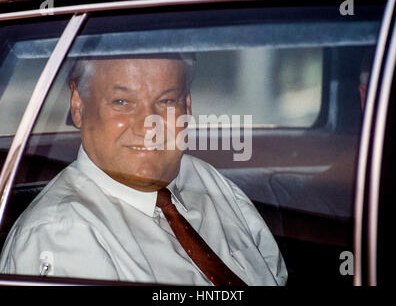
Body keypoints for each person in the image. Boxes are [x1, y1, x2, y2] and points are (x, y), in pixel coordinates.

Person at [0, 53, 287, 286]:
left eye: (166, 101)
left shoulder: (208, 181)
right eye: (122, 102)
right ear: (78, 105)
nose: (149, 125)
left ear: (187, 106)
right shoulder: (61, 235)